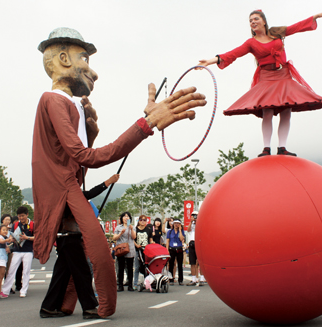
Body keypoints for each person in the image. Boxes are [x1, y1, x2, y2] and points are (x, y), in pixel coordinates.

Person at [32, 27, 206, 318]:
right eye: (84, 59)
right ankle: (97, 306)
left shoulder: (68, 104)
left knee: (73, 248)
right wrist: (145, 125)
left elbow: (79, 158)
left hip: (67, 184)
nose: (93, 72)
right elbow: (87, 157)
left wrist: (91, 129)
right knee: (97, 248)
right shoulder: (53, 100)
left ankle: (56, 305)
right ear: (63, 59)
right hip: (62, 187)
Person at [198, 10, 322, 157]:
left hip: (283, 75)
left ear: (263, 21)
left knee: (286, 111)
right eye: (250, 20)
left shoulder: (276, 32)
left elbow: (295, 27)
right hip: (267, 77)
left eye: (256, 19)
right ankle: (266, 148)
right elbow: (233, 53)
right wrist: (210, 61)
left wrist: (315, 17)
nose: (253, 22)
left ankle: (282, 147)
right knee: (267, 111)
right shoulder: (251, 43)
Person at [41, 174, 120, 319]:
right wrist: (108, 182)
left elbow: (87, 195)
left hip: (65, 238)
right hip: (70, 238)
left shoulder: (57, 195)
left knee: (61, 274)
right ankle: (89, 307)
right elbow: (89, 194)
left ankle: (48, 307)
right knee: (82, 273)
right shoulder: (68, 194)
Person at [0, 206, 34, 298]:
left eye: (23, 216)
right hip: (17, 250)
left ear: (27, 215)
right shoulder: (15, 225)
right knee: (11, 270)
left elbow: (37, 237)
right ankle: (5, 291)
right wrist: (12, 239)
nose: (21, 218)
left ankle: (24, 290)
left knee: (26, 271)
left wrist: (27, 238)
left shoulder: (32, 225)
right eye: (19, 216)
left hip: (28, 251)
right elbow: (11, 235)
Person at [113, 212, 136, 292]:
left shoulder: (132, 227)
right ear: (122, 218)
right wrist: (120, 233)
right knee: (120, 267)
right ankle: (120, 285)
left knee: (130, 268)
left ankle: (130, 285)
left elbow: (134, 237)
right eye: (124, 216)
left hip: (130, 249)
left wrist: (131, 229)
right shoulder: (118, 227)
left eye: (128, 216)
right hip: (121, 249)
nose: (126, 218)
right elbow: (114, 238)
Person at [186, 211, 206, 286]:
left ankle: (202, 278)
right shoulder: (192, 224)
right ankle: (194, 279)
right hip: (192, 243)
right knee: (192, 262)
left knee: (200, 262)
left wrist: (198, 221)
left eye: (196, 216)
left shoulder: (201, 223)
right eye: (193, 216)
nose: (195, 217)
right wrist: (191, 222)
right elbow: (188, 230)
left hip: (199, 243)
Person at [134, 215, 154, 289]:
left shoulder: (148, 230)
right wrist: (136, 245)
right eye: (141, 220)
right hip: (137, 250)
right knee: (137, 267)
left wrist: (152, 242)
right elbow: (132, 239)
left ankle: (147, 281)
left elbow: (150, 239)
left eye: (144, 220)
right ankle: (135, 283)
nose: (142, 221)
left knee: (147, 266)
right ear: (138, 221)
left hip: (146, 250)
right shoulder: (135, 229)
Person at [166, 219, 186, 286]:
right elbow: (167, 241)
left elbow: (181, 239)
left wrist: (180, 230)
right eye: (175, 223)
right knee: (171, 264)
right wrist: (167, 250)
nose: (176, 225)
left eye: (178, 223)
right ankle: (171, 279)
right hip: (172, 249)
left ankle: (180, 280)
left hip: (179, 248)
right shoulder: (170, 231)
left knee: (180, 264)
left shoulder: (181, 231)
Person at [0, 225, 13, 296]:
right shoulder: (0, 237)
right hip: (1, 258)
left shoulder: (4, 237)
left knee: (2, 275)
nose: (5, 231)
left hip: (3, 258)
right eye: (3, 230)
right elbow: (1, 241)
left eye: (6, 230)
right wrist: (6, 240)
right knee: (1, 275)